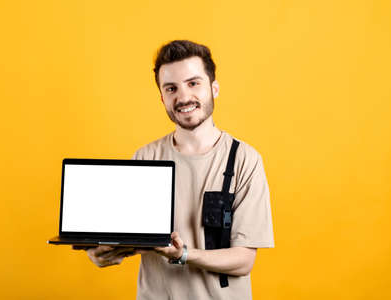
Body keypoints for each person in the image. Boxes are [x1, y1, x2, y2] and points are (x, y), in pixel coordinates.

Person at [83, 40, 274, 300]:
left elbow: (243, 260)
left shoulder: (244, 160)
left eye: (193, 83)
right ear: (162, 97)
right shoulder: (145, 158)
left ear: (214, 88)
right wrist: (103, 251)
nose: (183, 97)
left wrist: (183, 254)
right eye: (171, 88)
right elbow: (135, 239)